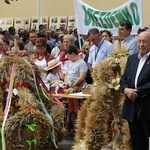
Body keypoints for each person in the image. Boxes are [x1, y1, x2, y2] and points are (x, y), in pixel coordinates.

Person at [120, 31, 150, 150]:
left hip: (147, 106)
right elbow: (123, 79)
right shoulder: (132, 58)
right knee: (137, 142)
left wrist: (136, 92)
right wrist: (126, 90)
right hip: (132, 107)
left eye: (144, 41)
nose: (141, 44)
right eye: (139, 41)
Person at [65, 45, 88, 133]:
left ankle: (79, 129)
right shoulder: (70, 63)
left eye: (68, 56)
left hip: (78, 90)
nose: (67, 58)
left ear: (73, 54)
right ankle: (73, 128)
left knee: (78, 110)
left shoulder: (82, 63)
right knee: (71, 110)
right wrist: (65, 83)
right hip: (70, 89)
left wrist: (73, 86)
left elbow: (82, 77)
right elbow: (67, 73)